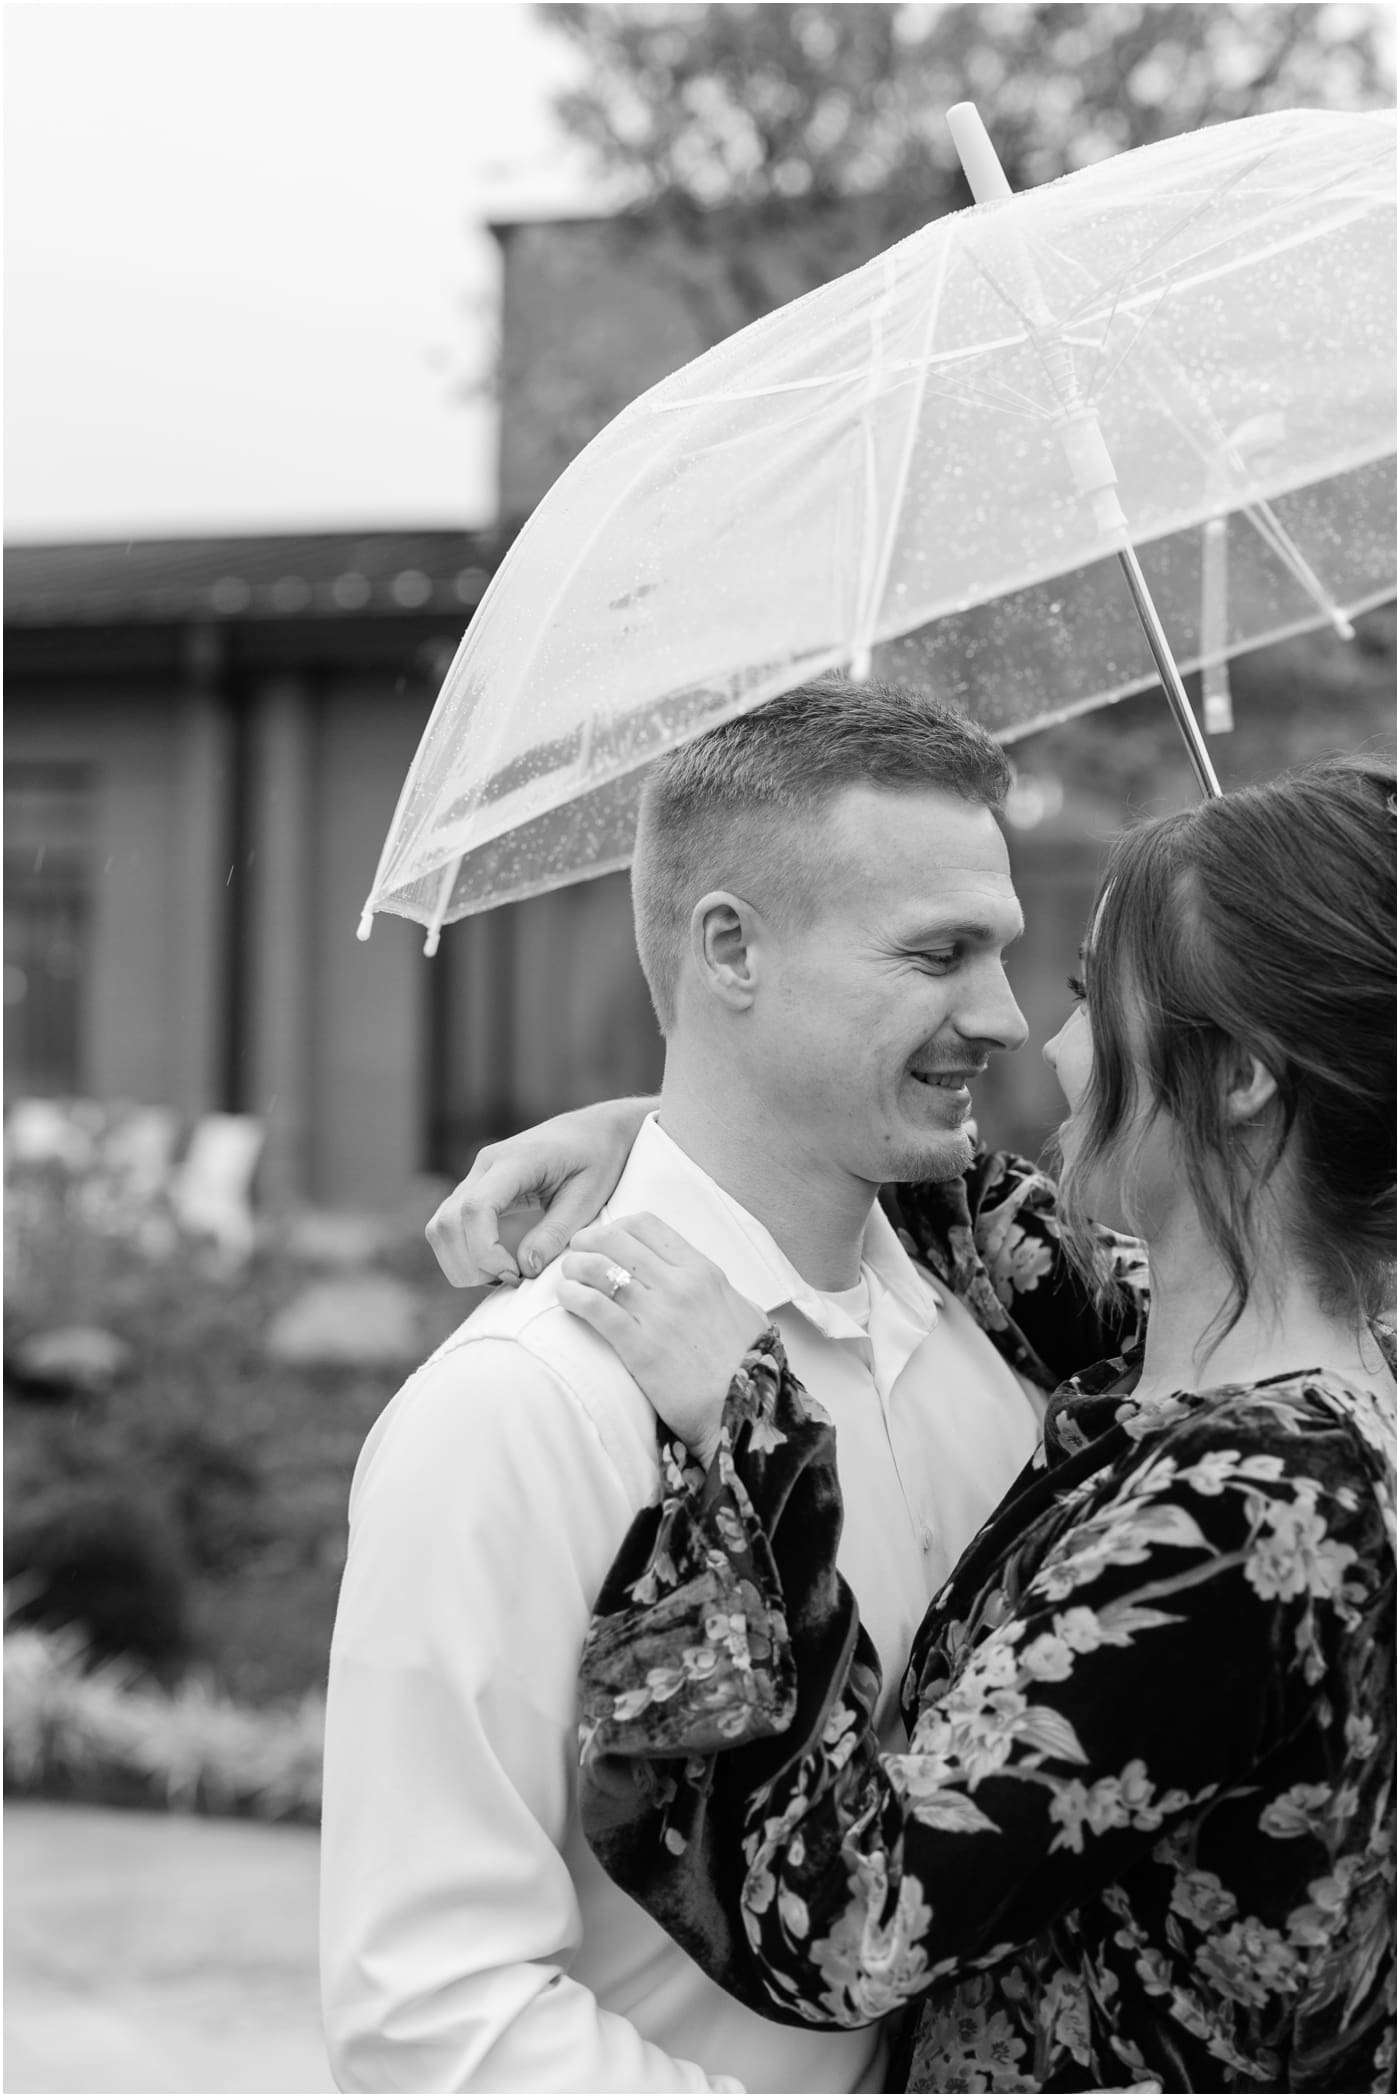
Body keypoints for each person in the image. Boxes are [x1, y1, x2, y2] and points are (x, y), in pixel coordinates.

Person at [534, 755, 1395, 2094]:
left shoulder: (1252, 1509)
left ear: (1237, 1078)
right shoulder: (1257, 1373)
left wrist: (755, 1441)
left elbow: (851, 1914)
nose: (1046, 1045)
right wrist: (663, 1125)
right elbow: (971, 1210)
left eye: (1091, 998)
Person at [323, 679, 1138, 2091]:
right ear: (730, 949)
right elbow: (431, 2010)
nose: (1003, 1013)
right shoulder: (523, 1412)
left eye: (1002, 952)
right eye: (937, 953)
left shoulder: (1009, 1325)